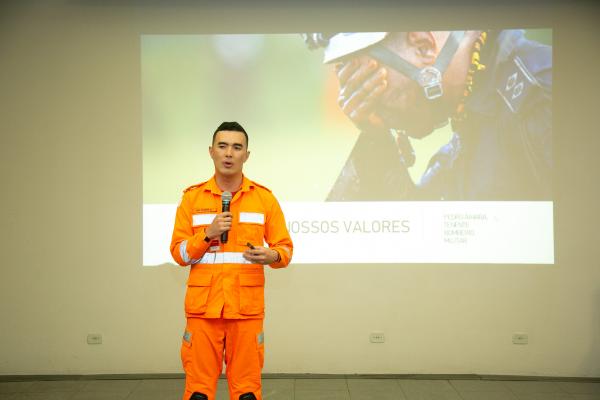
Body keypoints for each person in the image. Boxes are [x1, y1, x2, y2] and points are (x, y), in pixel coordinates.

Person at [304, 30, 552, 200]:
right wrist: (378, 142)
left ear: (423, 46)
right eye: (349, 76)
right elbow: (418, 251)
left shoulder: (545, 97)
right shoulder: (474, 119)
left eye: (369, 72)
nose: (359, 93)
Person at [169, 121, 293, 400]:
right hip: (203, 313)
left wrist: (271, 255)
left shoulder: (264, 199)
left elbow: (285, 250)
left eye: (237, 147)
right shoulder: (192, 198)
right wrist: (207, 234)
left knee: (247, 393)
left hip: (245, 313)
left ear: (246, 155)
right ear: (211, 152)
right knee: (198, 394)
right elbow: (179, 253)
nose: (229, 153)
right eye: (223, 146)